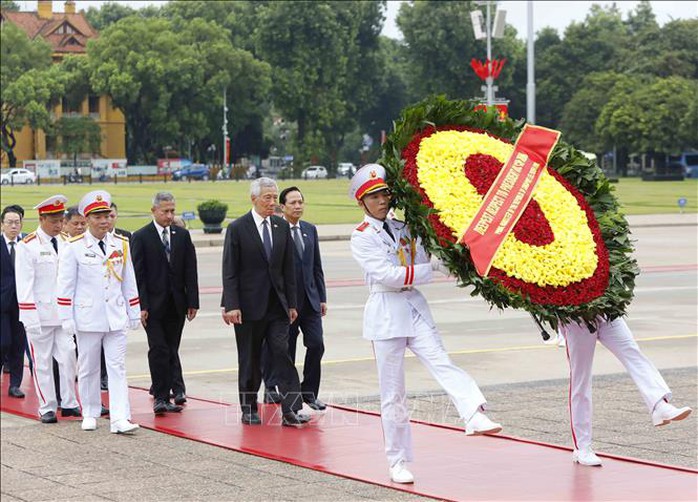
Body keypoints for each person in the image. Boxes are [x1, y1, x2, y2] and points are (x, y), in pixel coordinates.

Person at [349, 164, 502, 484]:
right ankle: (397, 460)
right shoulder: (361, 237)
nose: (381, 200)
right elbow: (387, 276)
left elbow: (425, 257)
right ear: (361, 202)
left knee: (441, 361)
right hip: (386, 312)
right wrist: (429, 272)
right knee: (393, 394)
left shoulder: (404, 227)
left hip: (414, 307)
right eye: (373, 196)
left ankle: (473, 412)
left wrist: (461, 258)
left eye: (384, 194)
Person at [221, 177, 308, 427]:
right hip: (247, 308)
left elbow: (288, 269)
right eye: (268, 198)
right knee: (250, 359)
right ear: (254, 199)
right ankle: (249, 407)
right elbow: (230, 270)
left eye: (274, 197)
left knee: (282, 354)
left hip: (277, 307)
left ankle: (291, 409)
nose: (273, 202)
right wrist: (231, 304)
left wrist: (292, 304)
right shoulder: (238, 228)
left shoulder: (281, 227)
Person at [56, 190, 140, 434]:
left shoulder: (121, 244)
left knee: (117, 366)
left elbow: (128, 281)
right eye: (98, 217)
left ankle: (120, 417)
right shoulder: (74, 247)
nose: (104, 221)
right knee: (89, 367)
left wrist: (133, 310)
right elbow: (65, 285)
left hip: (115, 316)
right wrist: (66, 318)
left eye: (107, 215)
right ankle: (90, 412)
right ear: (88, 218)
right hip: (87, 316)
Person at [560, 317, 692, 466]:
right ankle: (582, 448)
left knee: (633, 354)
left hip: (607, 312)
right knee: (580, 378)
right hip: (575, 318)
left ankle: (659, 405)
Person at [131, 192, 199, 415]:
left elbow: (190, 270)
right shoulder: (141, 236)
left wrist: (193, 301)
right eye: (165, 211)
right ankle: (160, 396)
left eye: (172, 211)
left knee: (171, 349)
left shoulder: (181, 235)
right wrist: (141, 306)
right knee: (158, 349)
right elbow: (138, 274)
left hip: (176, 305)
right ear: (154, 211)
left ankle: (169, 392)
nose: (170, 216)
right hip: (152, 306)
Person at [15, 195, 80, 423]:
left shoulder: (66, 241)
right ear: (42, 219)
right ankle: (47, 407)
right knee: (42, 362)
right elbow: (24, 285)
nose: (59, 225)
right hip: (39, 315)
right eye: (54, 220)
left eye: (61, 220)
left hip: (63, 315)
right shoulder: (28, 246)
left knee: (69, 355)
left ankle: (70, 402)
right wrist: (29, 317)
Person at [262, 186, 327, 410]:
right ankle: (277, 390)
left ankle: (309, 392)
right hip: (285, 304)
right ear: (282, 206)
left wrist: (322, 297)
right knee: (284, 351)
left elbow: (316, 267)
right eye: (293, 203)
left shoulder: (310, 230)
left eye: (301, 202)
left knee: (317, 345)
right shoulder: (275, 230)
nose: (298, 206)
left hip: (310, 301)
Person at [1, 205, 27, 398]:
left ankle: (15, 385)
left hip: (23, 303)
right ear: (2, 224)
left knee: (19, 345)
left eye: (17, 222)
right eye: (9, 222)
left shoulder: (27, 244)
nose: (13, 226)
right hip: (2, 303)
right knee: (4, 342)